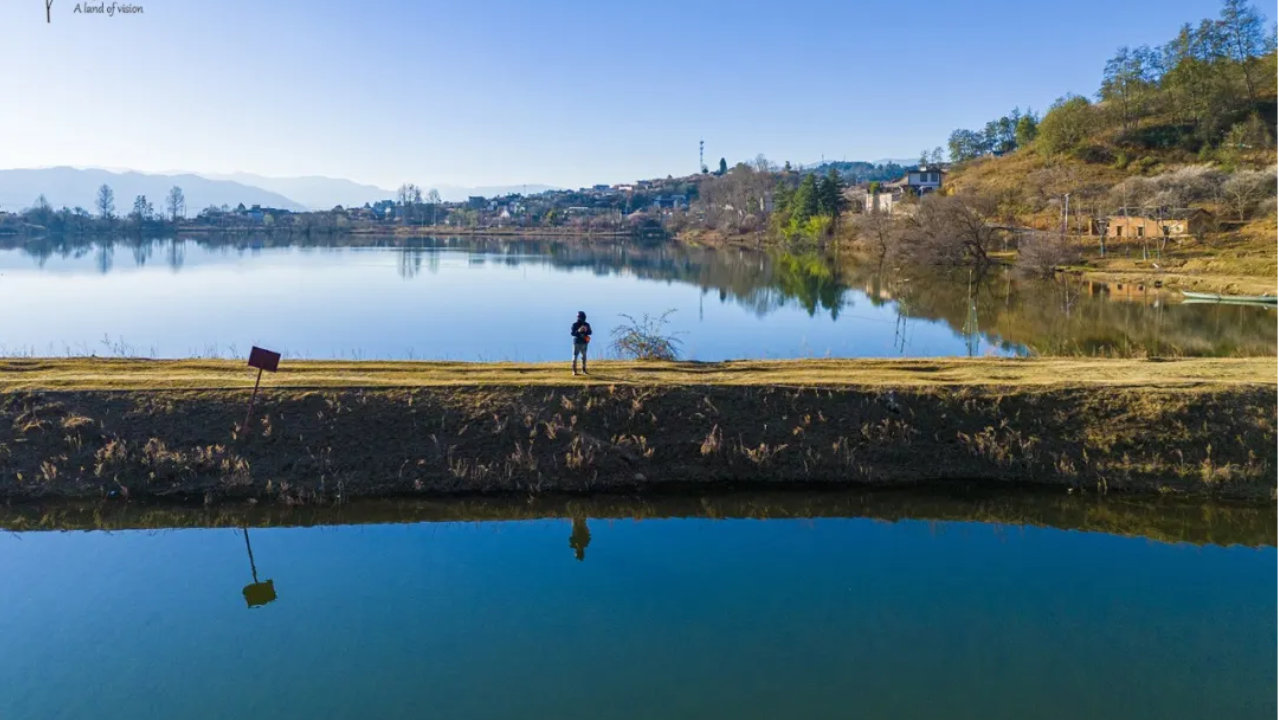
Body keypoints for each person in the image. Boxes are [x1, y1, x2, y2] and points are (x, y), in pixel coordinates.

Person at [570, 310, 592, 375]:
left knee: (584, 357)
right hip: (577, 342)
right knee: (575, 356)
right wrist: (578, 331)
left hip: (584, 342)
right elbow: (572, 333)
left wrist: (586, 330)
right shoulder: (574, 324)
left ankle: (584, 370)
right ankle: (574, 371)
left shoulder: (587, 324)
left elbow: (590, 332)